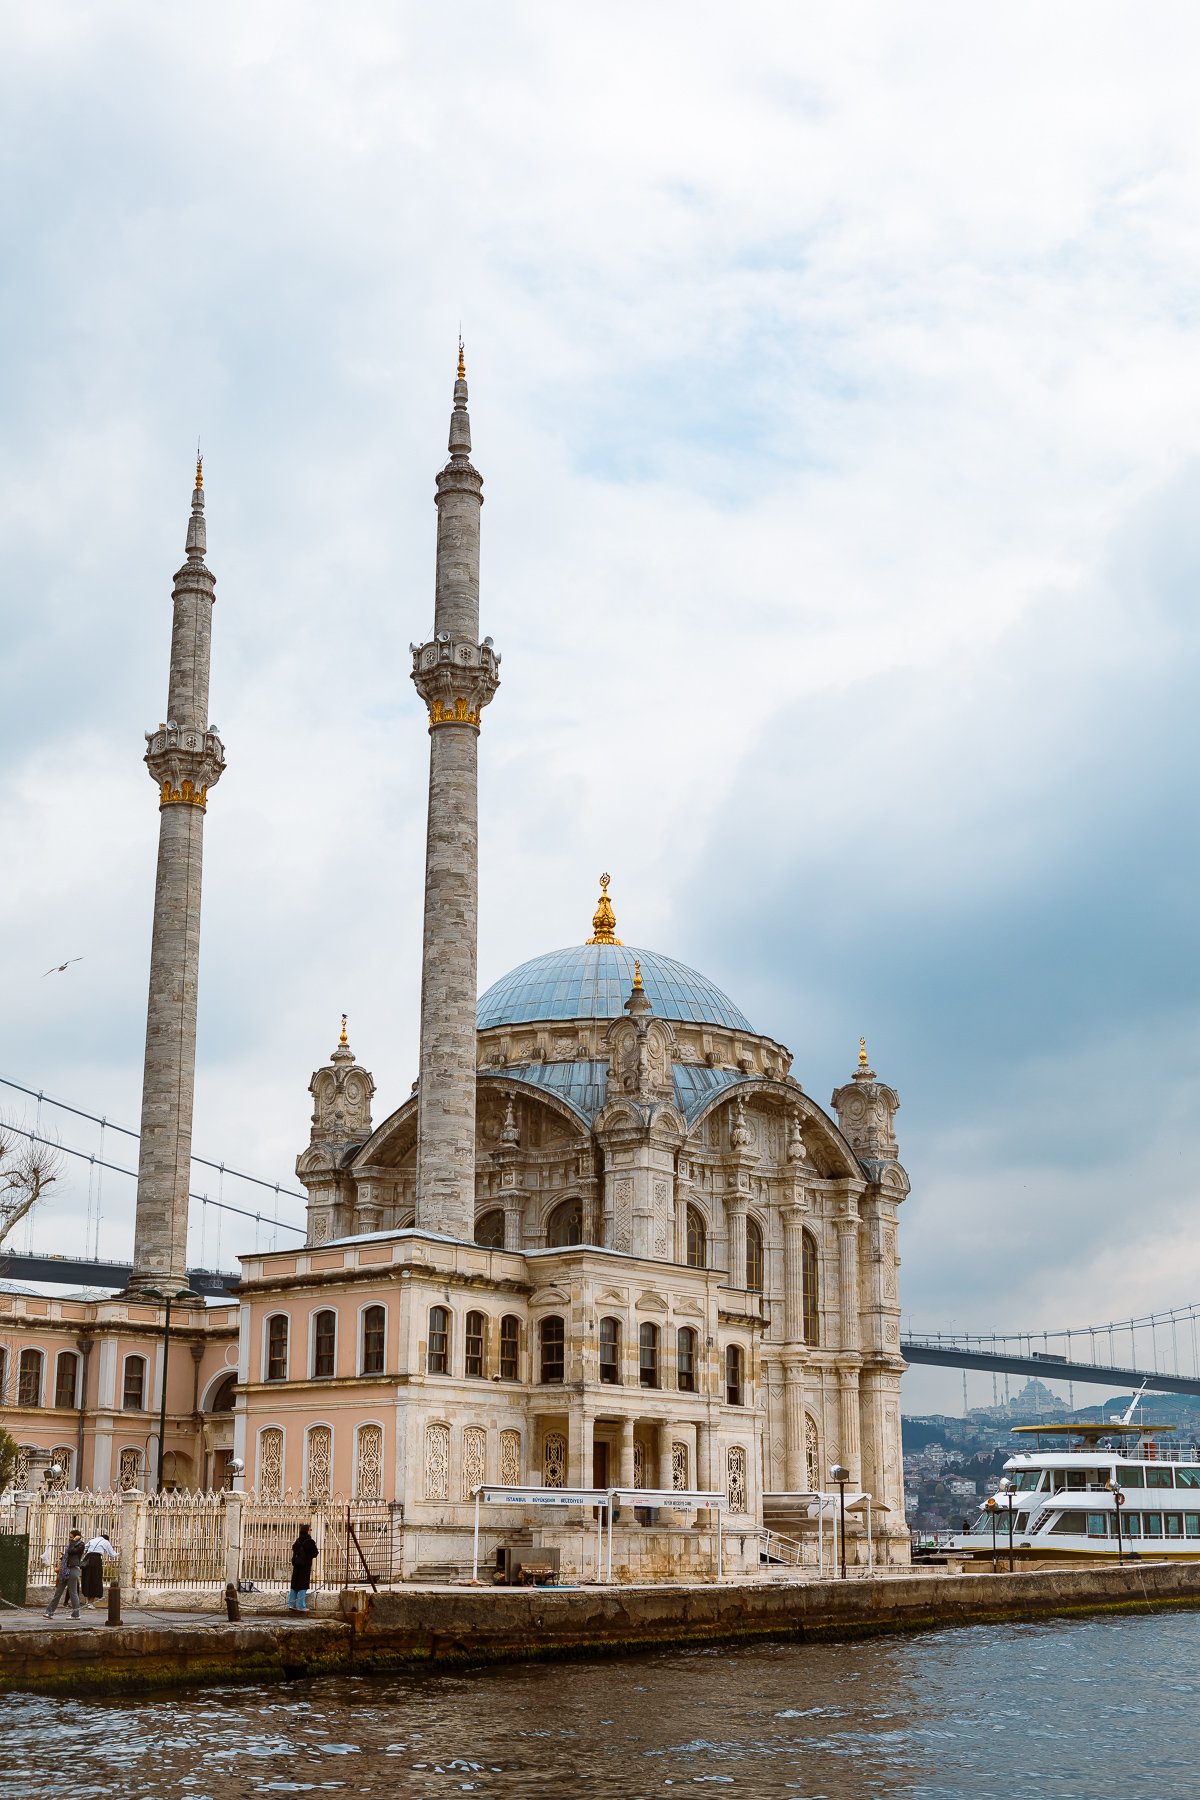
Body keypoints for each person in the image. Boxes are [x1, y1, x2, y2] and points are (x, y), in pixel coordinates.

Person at [45, 1531, 86, 1621]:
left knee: (73, 1593)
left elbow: (71, 1552)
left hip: (73, 1569)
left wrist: (73, 1541)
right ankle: (49, 1612)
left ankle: (76, 1614)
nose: (70, 1539)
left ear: (77, 1537)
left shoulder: (81, 1545)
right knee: (58, 1592)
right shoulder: (72, 1544)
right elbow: (69, 1554)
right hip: (64, 1570)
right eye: (70, 1537)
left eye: (71, 1537)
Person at [80, 1532, 119, 1608]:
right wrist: (120, 1553)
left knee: (87, 1579)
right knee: (95, 1579)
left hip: (87, 1559)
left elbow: (84, 1549)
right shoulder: (106, 1542)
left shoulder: (92, 1540)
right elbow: (112, 1554)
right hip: (96, 1560)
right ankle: (91, 1602)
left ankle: (88, 1601)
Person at [288, 1524, 318, 1613]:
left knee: (294, 1585)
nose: (311, 1531)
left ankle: (291, 1604)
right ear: (307, 1531)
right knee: (303, 1585)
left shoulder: (297, 1541)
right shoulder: (309, 1542)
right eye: (310, 1529)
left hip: (297, 1566)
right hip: (305, 1566)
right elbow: (315, 1553)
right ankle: (301, 1606)